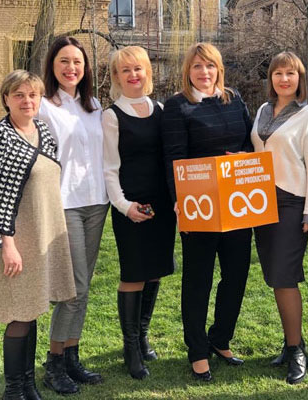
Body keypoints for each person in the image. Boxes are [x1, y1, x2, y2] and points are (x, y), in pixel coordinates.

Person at [0, 70, 77, 400]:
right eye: (18, 95)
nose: (27, 101)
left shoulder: (42, 131)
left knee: (31, 310)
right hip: (13, 241)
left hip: (41, 235)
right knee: (19, 313)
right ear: (6, 98)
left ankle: (29, 385)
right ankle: (14, 390)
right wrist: (5, 244)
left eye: (33, 95)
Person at [161, 42, 253, 382]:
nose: (204, 72)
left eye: (210, 66)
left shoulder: (234, 99)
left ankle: (220, 339)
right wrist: (179, 200)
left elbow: (248, 144)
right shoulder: (177, 105)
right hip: (198, 204)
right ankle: (198, 351)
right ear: (188, 71)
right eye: (197, 66)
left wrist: (242, 158)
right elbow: (174, 156)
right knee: (198, 279)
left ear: (219, 69)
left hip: (237, 203)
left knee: (236, 274)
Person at [37, 36, 109, 395]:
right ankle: (54, 364)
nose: (71, 68)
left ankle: (71, 356)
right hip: (65, 204)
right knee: (72, 288)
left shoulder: (93, 105)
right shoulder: (43, 106)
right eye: (64, 61)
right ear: (52, 65)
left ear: (85, 67)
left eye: (77, 62)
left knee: (83, 286)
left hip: (97, 203)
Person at [102, 46, 176, 380]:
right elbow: (109, 169)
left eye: (138, 69)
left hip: (161, 206)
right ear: (117, 77)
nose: (133, 75)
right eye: (125, 70)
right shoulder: (112, 116)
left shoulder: (160, 109)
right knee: (133, 275)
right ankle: (130, 347)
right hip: (130, 206)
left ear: (148, 72)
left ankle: (143, 336)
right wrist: (124, 206)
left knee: (155, 272)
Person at [251, 52, 308, 384]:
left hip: (292, 204)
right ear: (271, 78)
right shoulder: (263, 111)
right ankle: (292, 341)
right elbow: (260, 152)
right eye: (278, 73)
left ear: (299, 78)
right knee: (274, 276)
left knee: (285, 276)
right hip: (261, 203)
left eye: (290, 73)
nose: (284, 79)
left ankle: (297, 351)